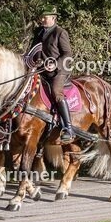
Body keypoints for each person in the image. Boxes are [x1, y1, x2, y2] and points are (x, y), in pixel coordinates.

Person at [30, 8, 75, 142]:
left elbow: (68, 54)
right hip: (41, 69)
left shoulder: (60, 33)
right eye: (42, 17)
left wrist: (55, 64)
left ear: (53, 18)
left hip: (59, 71)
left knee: (56, 92)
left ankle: (68, 128)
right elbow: (33, 50)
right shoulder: (38, 31)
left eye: (45, 17)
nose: (42, 19)